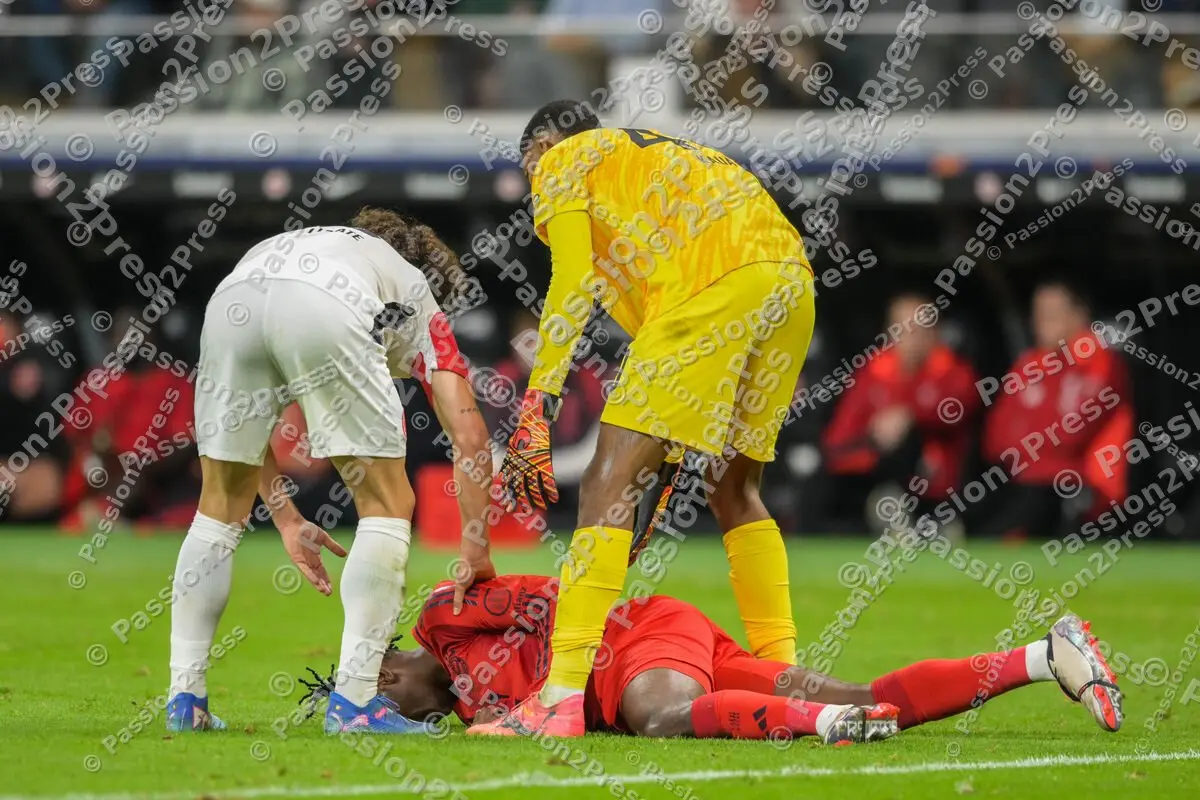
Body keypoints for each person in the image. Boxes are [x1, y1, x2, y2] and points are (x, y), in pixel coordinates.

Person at [477, 99, 818, 737]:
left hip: (710, 289)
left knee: (605, 485)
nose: (533, 190)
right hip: (791, 284)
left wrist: (538, 397)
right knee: (734, 489)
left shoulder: (564, 157)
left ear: (540, 148)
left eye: (528, 170)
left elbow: (572, 280)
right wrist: (669, 449)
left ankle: (559, 699)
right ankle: (785, 678)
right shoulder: (658, 156)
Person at [168, 210, 495, 735]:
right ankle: (356, 704)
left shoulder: (316, 247)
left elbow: (252, 437)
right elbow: (471, 437)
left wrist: (286, 518)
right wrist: (475, 550)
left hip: (233, 298)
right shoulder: (416, 291)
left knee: (218, 509)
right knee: (388, 504)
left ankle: (186, 701)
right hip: (324, 306)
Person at [297, 573, 1123, 741]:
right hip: (672, 648)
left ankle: (821, 727)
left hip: (634, 639)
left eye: (383, 703)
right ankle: (1042, 656)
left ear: (386, 671)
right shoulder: (467, 710)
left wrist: (548, 692)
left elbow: (558, 593)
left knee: (657, 717)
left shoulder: (445, 617)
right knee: (869, 695)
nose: (402, 716)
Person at [978, 282, 1131, 538]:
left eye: (1052, 313)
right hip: (1024, 479)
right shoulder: (1030, 363)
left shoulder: (1099, 361)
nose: (1042, 322)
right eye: (1038, 313)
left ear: (1078, 315)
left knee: (1011, 524)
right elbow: (995, 436)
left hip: (1082, 484)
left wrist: (1028, 447)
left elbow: (1073, 434)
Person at [822, 293, 979, 533]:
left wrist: (910, 417)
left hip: (936, 484)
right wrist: (874, 433)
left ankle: (927, 524)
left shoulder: (953, 371)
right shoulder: (874, 371)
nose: (911, 338)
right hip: (872, 474)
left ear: (935, 332)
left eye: (919, 329)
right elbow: (838, 437)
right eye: (902, 329)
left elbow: (960, 408)